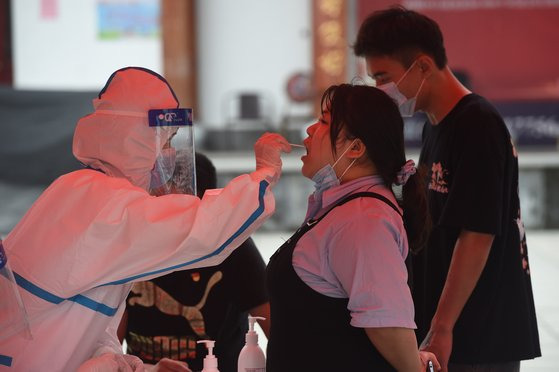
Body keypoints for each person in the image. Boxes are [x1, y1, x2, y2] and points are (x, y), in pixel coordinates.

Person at [0, 67, 290, 371]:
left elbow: (89, 329)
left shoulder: (82, 189)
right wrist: (262, 175)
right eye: (165, 142)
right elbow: (201, 231)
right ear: (136, 141)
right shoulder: (102, 201)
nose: (169, 155)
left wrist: (138, 368)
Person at [354, 6, 541, 372]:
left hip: (480, 330)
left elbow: (477, 234)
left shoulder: (477, 124)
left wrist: (442, 327)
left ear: (422, 66)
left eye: (383, 77)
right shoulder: (435, 126)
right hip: (448, 323)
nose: (380, 90)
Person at [266, 83, 439, 372]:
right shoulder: (346, 208)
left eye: (323, 122)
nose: (310, 131)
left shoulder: (362, 219)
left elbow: (387, 323)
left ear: (356, 148)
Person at [118, 152, 270, 372]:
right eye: (152, 195)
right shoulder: (132, 247)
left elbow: (277, 331)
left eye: (164, 196)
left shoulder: (233, 248)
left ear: (202, 202)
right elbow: (110, 340)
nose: (152, 205)